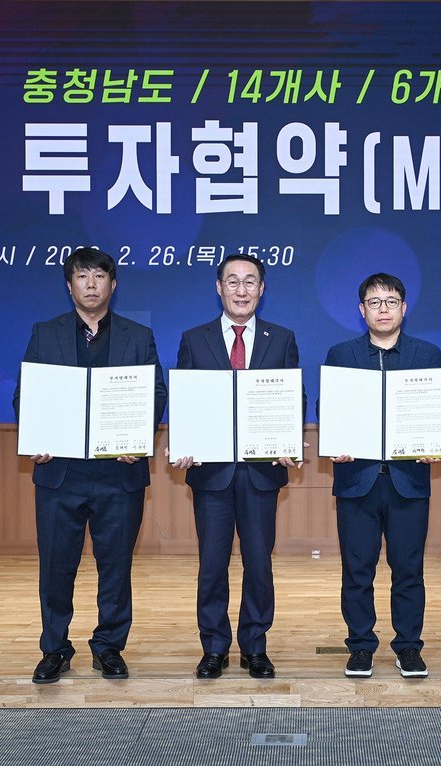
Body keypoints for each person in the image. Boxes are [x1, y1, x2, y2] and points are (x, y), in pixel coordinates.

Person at [13, 246, 168, 684]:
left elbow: (155, 393)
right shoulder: (46, 333)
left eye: (99, 277)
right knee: (55, 566)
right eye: (82, 277)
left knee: (115, 566)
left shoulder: (138, 336)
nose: (91, 284)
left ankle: (108, 647)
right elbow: (26, 395)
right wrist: (37, 437)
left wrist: (139, 440)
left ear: (113, 285)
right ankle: (54, 649)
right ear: (70, 286)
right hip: (60, 474)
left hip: (119, 472)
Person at [170, 253, 303, 679]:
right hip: (211, 473)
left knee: (259, 564)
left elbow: (293, 396)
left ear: (261, 289)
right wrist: (184, 442)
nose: (241, 290)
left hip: (261, 471)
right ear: (219, 287)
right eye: (233, 281)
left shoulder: (282, 338)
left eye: (250, 282)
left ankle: (254, 647)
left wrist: (288, 439)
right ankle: (214, 647)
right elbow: (186, 399)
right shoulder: (195, 338)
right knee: (212, 564)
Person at [323, 273, 441, 679]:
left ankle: (408, 646)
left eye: (391, 301)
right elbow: (329, 408)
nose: (383, 309)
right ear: (362, 311)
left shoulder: (426, 354)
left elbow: (434, 410)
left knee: (408, 570)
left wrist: (431, 441)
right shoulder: (341, 354)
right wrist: (335, 440)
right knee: (358, 571)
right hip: (357, 479)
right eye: (374, 302)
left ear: (404, 308)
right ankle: (360, 646)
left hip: (409, 480)